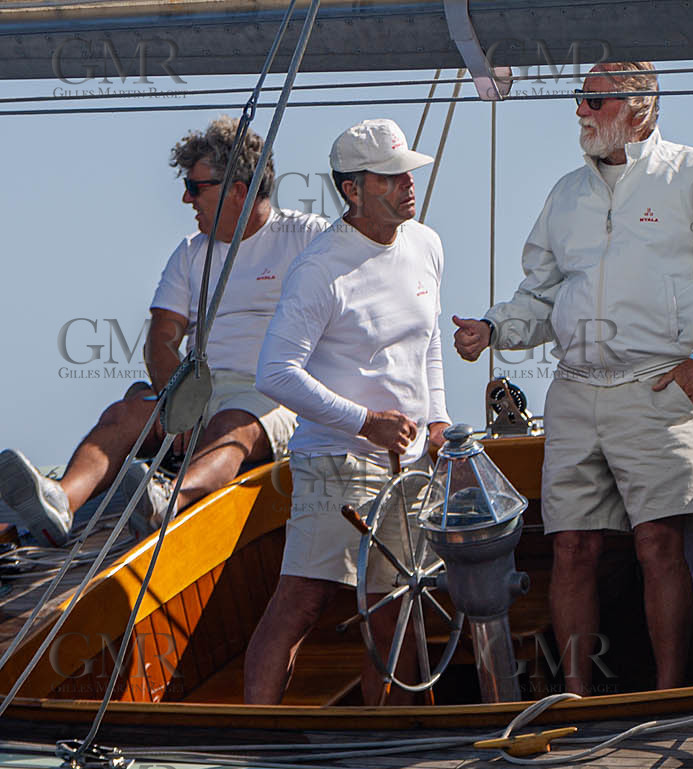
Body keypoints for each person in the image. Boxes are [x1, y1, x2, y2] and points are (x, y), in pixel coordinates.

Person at [453, 61, 693, 693]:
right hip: (574, 390)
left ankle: (669, 693)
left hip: (659, 385)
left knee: (657, 544)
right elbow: (538, 296)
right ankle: (576, 696)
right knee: (571, 547)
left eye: (593, 102)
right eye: (580, 100)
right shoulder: (566, 194)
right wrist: (494, 328)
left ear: (640, 108)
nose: (580, 112)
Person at [0, 117, 325, 546]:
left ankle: (167, 500)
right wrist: (181, 402)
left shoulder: (310, 239)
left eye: (196, 188)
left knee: (235, 424)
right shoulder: (191, 253)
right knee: (126, 413)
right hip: (195, 390)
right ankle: (61, 500)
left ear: (238, 191)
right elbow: (162, 339)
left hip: (272, 397)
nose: (186, 198)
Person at [243, 119, 449, 706]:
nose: (407, 184)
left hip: (410, 467)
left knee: (397, 607)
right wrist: (366, 421)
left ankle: (392, 746)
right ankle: (256, 738)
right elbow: (274, 374)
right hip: (336, 464)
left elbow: (428, 341)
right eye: (389, 177)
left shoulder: (426, 244)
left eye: (407, 171)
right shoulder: (319, 269)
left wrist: (436, 421)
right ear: (352, 191)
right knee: (302, 600)